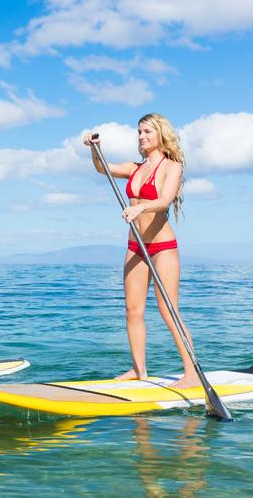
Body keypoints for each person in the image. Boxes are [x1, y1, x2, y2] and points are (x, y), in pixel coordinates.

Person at [83, 113, 201, 389]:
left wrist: (141, 207)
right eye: (139, 132)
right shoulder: (134, 168)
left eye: (147, 131)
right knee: (132, 310)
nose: (141, 136)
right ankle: (139, 370)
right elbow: (103, 168)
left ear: (161, 134)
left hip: (162, 247)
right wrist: (93, 149)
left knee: (167, 309)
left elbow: (164, 200)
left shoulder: (173, 166)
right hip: (135, 245)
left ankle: (192, 373)